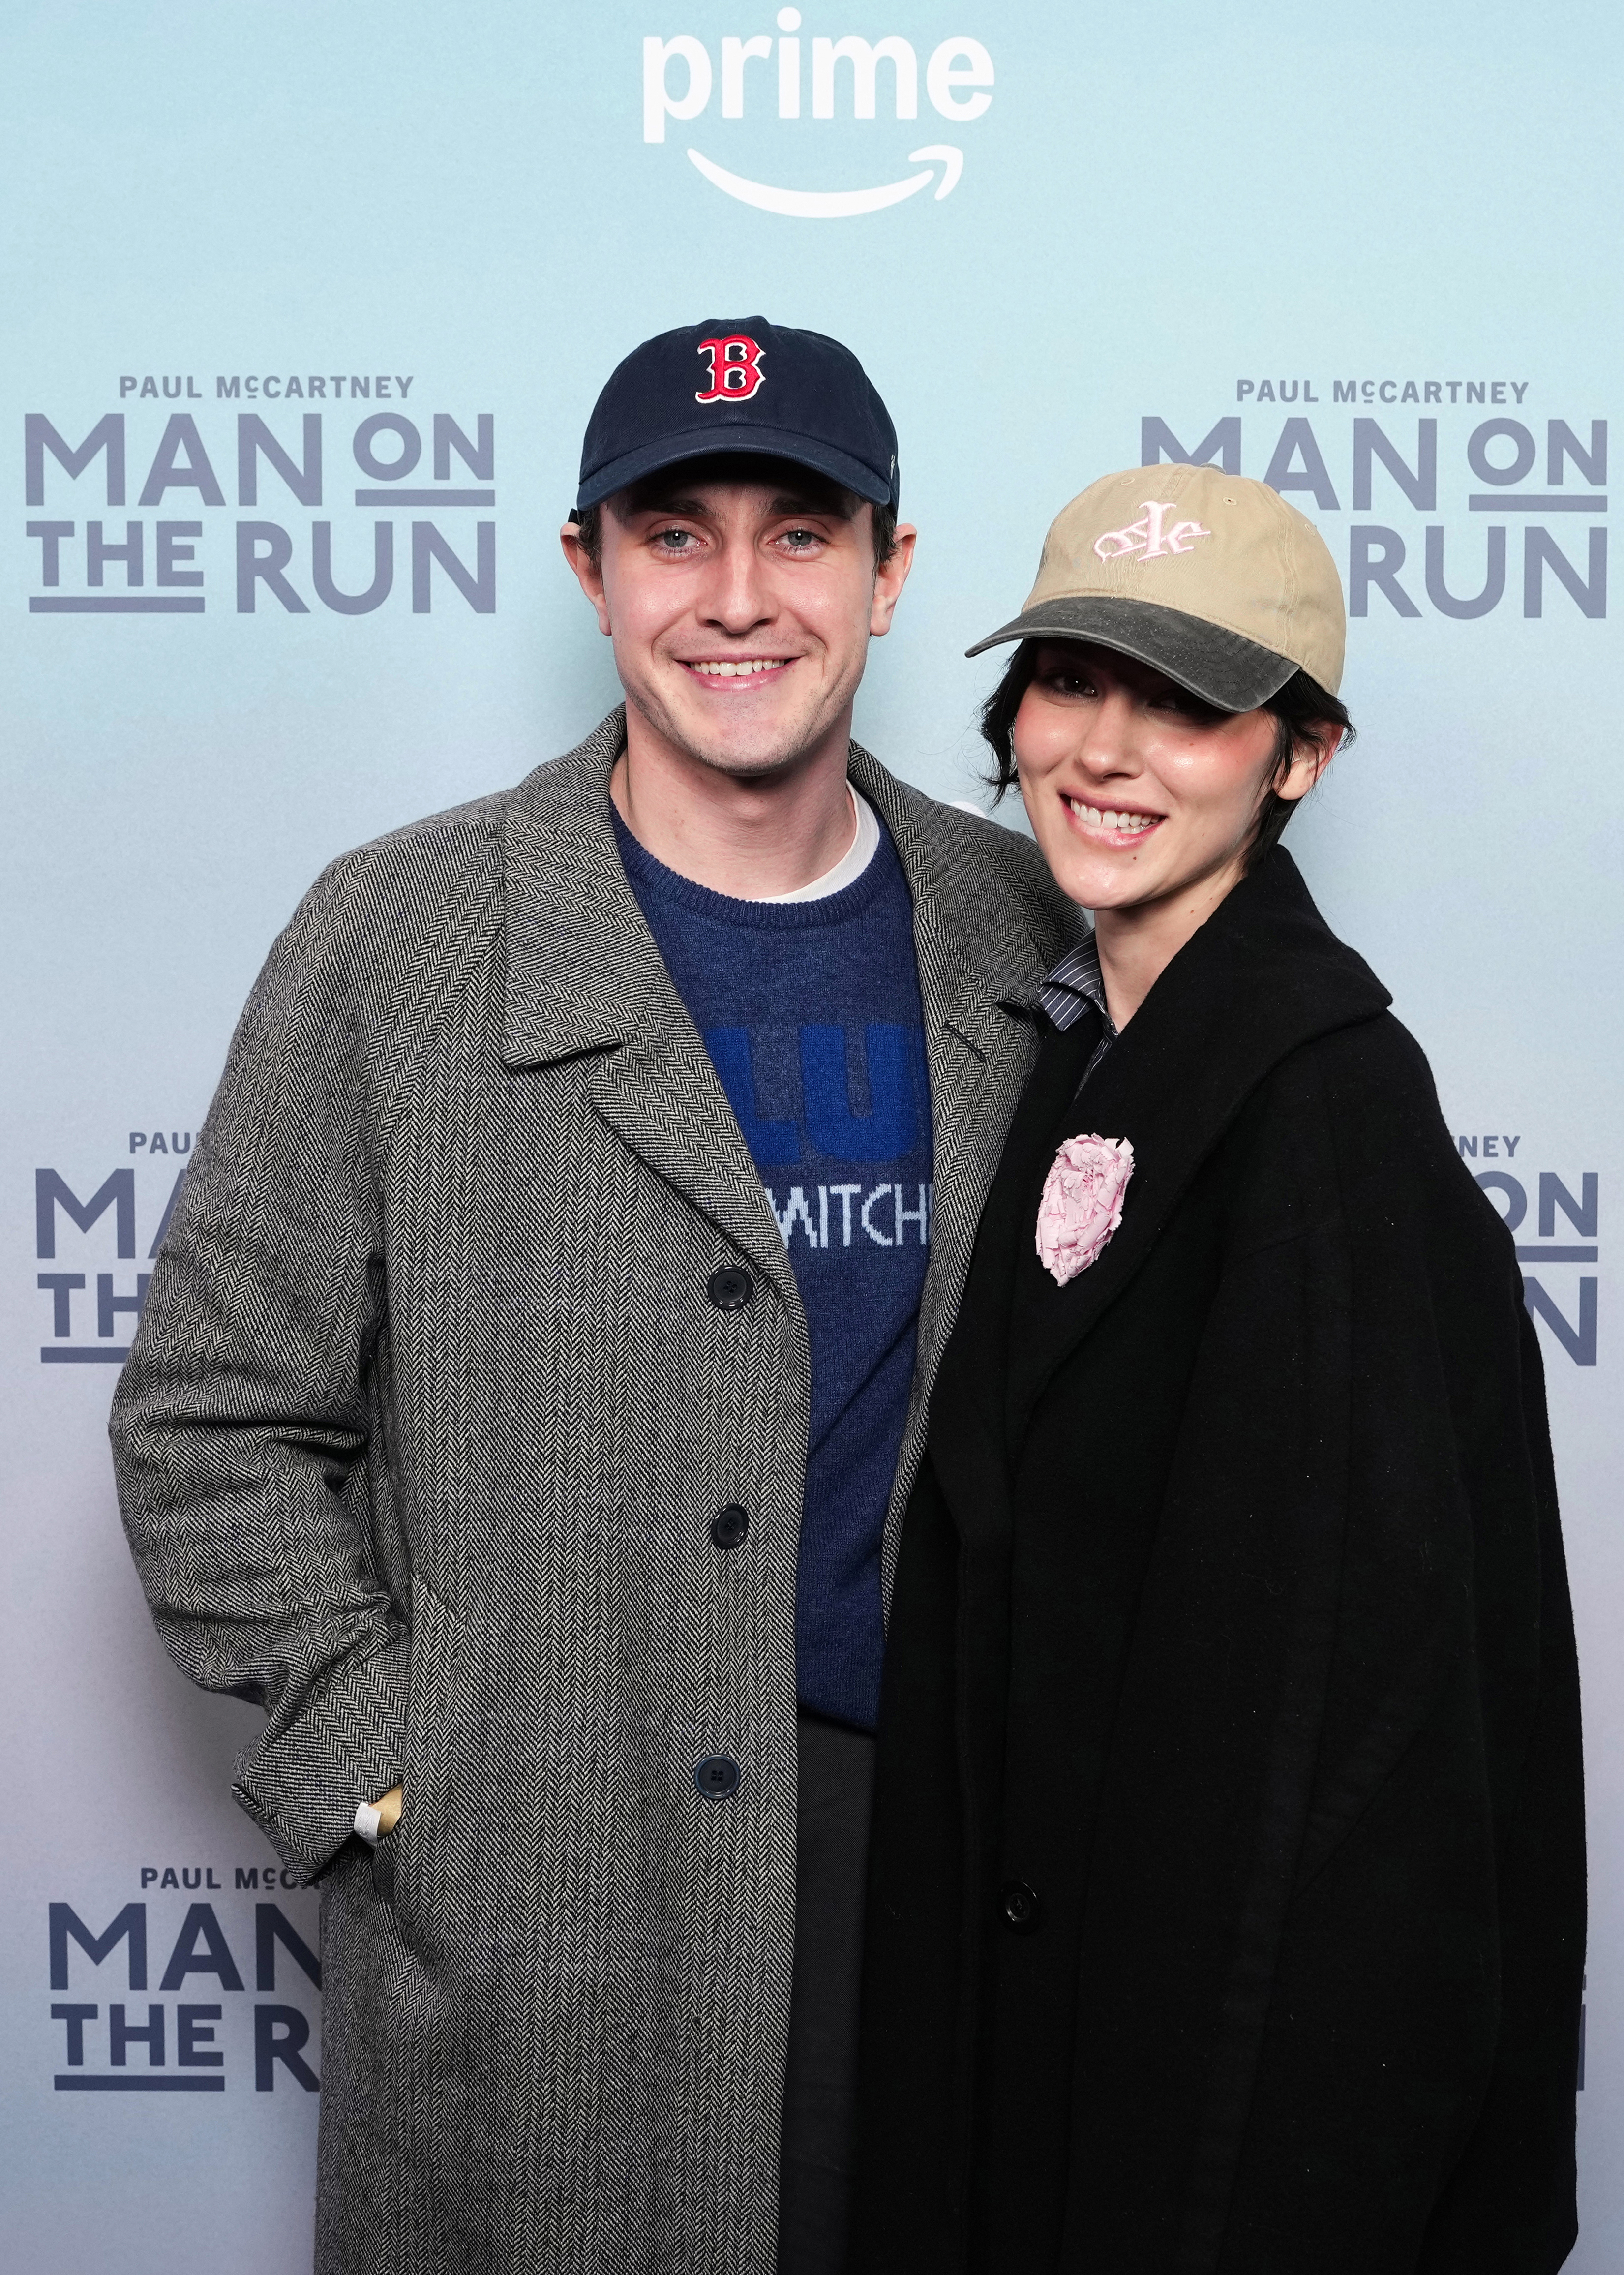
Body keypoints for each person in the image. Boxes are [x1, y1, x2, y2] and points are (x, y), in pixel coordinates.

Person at [108, 318, 1078, 2275]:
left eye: (800, 533)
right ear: (589, 569)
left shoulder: (1021, 920)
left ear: (892, 574)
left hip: (943, 1870)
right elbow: (208, 1412)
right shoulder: (401, 930)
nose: (736, 598)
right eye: (674, 532)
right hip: (536, 1871)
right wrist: (389, 1762)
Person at [851, 464, 1586, 2275]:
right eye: (1068, 680)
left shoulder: (1324, 1111)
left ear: (1301, 757)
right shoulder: (1095, 1043)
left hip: (1215, 2137)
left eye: (1185, 701)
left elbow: (1358, 1766)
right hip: (1050, 2059)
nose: (1107, 748)